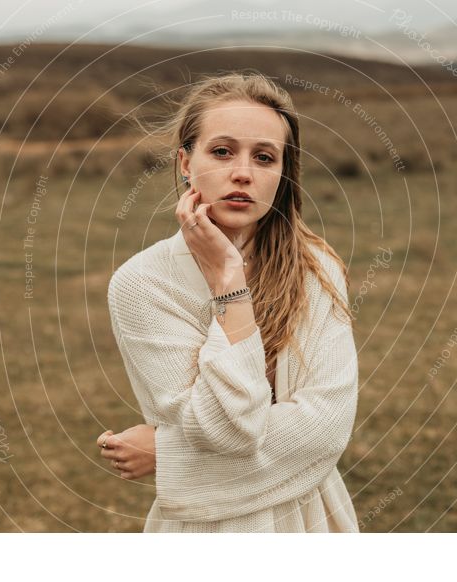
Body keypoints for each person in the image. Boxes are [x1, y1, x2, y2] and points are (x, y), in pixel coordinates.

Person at [98, 72, 360, 532]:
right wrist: (229, 285)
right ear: (185, 161)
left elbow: (327, 429)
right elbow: (228, 431)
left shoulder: (316, 268)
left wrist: (170, 453)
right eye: (222, 151)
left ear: (282, 173)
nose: (243, 171)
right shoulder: (142, 285)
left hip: (313, 519)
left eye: (264, 157)